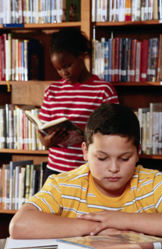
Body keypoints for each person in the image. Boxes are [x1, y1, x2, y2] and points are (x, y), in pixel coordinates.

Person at [9, 104, 162, 239]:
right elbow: (19, 225)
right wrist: (102, 227)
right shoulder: (64, 185)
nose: (114, 168)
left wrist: (122, 220)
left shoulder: (151, 183)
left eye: (124, 158)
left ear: (137, 152)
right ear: (85, 151)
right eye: (102, 158)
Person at [38, 27, 119, 183]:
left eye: (67, 66)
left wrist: (85, 134)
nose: (64, 73)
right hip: (55, 171)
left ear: (81, 56)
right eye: (58, 69)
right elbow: (42, 133)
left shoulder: (103, 90)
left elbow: (114, 132)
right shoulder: (52, 91)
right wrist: (46, 142)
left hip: (89, 170)